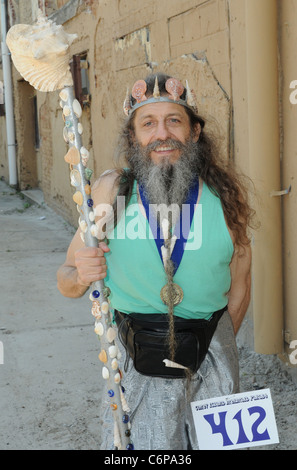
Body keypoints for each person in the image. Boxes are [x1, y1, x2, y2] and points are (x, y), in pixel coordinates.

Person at [57, 72, 254, 450]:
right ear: (134, 137)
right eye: (148, 123)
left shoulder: (227, 199)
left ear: (194, 132)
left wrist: (207, 342)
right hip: (136, 360)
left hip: (213, 355)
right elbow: (66, 279)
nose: (161, 134)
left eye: (174, 121)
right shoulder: (112, 191)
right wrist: (81, 274)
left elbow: (240, 288)